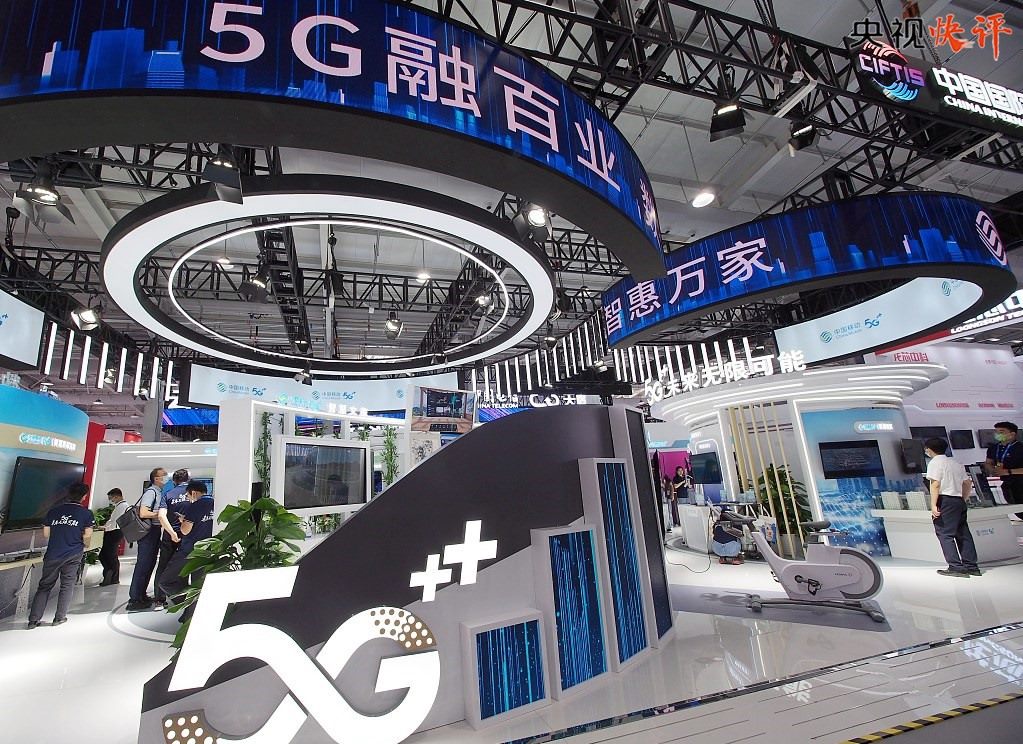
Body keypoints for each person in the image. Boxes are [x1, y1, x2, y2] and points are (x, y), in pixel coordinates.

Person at [27, 482, 94, 628]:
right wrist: (83, 542)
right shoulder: (86, 514)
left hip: (53, 553)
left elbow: (46, 534)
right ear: (84, 496)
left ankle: (33, 620)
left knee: (44, 586)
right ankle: (59, 618)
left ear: (68, 494)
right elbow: (88, 535)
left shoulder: (54, 511)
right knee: (67, 585)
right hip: (73, 553)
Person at [925, 437, 980, 578]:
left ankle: (956, 567)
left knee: (945, 534)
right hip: (958, 500)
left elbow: (935, 484)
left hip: (945, 500)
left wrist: (933, 505)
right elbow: (967, 483)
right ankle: (972, 567)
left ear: (929, 449)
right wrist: (963, 498)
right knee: (963, 533)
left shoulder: (934, 463)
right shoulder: (955, 463)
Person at [159, 480, 214, 614]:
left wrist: (183, 521)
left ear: (193, 493)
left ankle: (188, 604)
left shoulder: (194, 506)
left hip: (189, 550)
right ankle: (192, 613)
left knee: (166, 581)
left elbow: (185, 530)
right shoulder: (214, 502)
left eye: (188, 495)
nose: (188, 499)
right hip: (207, 550)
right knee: (198, 584)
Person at [127, 468, 168, 612]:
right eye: (163, 475)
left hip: (154, 531)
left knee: (149, 564)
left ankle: (141, 595)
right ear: (156, 478)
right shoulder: (151, 492)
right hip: (148, 532)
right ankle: (135, 598)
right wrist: (161, 514)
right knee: (143, 564)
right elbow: (143, 512)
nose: (166, 477)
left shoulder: (158, 492)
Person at [154, 468, 190, 607]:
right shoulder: (193, 494)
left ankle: (159, 599)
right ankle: (182, 596)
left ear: (174, 481)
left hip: (170, 536)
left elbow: (161, 516)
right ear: (188, 479)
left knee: (163, 565)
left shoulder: (168, 494)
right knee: (184, 566)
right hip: (187, 535)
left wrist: (172, 533)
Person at [985, 421, 1023, 519]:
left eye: (1001, 432)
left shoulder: (1020, 448)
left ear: (1012, 434)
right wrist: (992, 470)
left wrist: (1008, 471)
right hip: (1007, 484)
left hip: (1020, 482)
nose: (997, 434)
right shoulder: (993, 448)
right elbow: (988, 462)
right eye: (996, 432)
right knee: (1015, 509)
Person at [98, 488, 128, 586]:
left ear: (117, 496)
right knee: (110, 555)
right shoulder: (120, 506)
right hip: (114, 531)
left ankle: (111, 574)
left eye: (111, 498)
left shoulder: (122, 506)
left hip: (114, 532)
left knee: (107, 555)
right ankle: (112, 576)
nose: (111, 500)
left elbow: (114, 522)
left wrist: (105, 528)